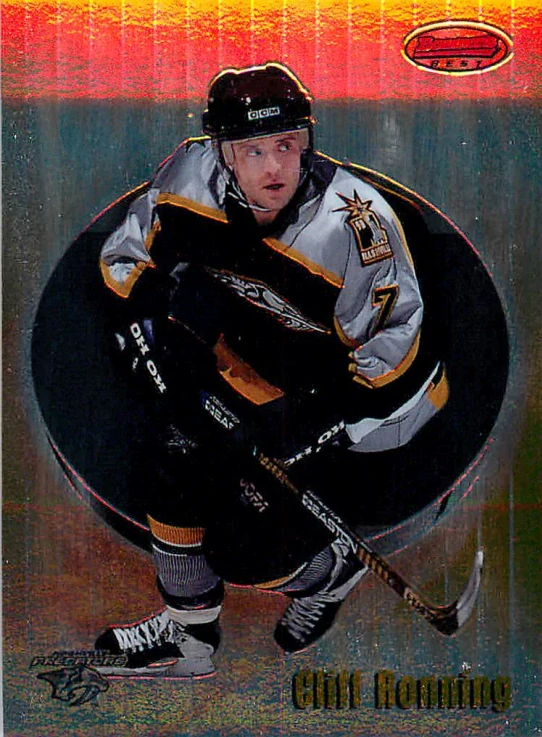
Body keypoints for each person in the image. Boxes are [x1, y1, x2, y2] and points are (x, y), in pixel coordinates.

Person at [94, 62, 448, 677]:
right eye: (253, 150)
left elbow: (396, 355)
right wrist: (154, 331)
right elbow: (123, 260)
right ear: (223, 153)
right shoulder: (189, 176)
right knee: (170, 458)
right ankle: (189, 636)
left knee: (247, 536)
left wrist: (306, 428)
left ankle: (327, 573)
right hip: (265, 361)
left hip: (379, 401)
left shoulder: (354, 227)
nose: (274, 168)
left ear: (306, 143)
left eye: (286, 145)